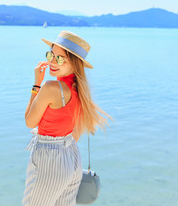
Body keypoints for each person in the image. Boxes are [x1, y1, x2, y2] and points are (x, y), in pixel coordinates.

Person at [22, 31, 112, 206]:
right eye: (51, 55)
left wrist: (36, 85)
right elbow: (76, 132)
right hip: (71, 158)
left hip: (49, 158)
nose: (53, 62)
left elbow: (29, 122)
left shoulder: (50, 87)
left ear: (75, 63)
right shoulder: (80, 91)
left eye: (61, 58)